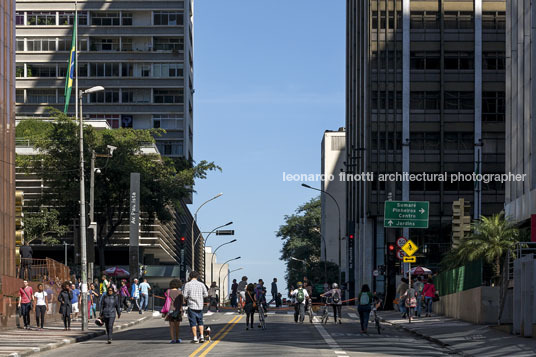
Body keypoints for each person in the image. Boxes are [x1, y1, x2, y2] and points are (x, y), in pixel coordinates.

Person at [183, 271, 208, 343]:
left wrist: (188, 297)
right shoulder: (201, 284)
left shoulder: (187, 284)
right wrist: (200, 297)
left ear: (190, 277)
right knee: (200, 321)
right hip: (200, 305)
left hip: (191, 305)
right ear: (197, 277)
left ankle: (195, 338)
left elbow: (185, 295)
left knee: (193, 322)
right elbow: (206, 294)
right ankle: (202, 337)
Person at [164, 279, 184, 343]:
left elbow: (166, 299)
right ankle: (177, 338)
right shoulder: (179, 292)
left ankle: (172, 339)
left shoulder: (168, 291)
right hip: (178, 310)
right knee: (177, 326)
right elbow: (183, 302)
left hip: (170, 310)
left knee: (171, 326)